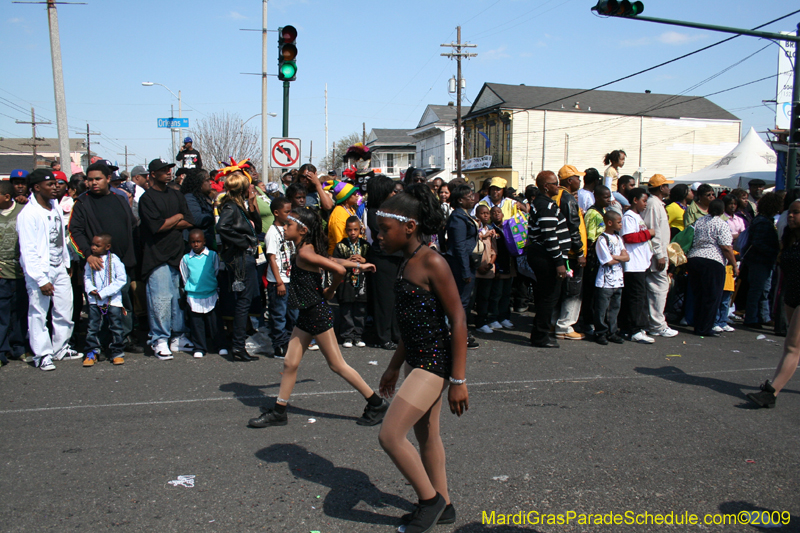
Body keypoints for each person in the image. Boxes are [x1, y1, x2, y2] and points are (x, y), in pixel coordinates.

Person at [375, 184, 468, 531]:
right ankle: (445, 505)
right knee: (427, 437)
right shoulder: (406, 262)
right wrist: (394, 366)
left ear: (410, 227)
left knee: (389, 436)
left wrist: (458, 380)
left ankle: (430, 502)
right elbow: (412, 323)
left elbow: (458, 320)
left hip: (434, 365)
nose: (380, 236)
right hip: (416, 360)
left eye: (385, 230)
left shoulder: (432, 261)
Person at [248, 207, 385, 428]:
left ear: (302, 230)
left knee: (337, 365)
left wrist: (331, 290)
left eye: (288, 225)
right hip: (307, 312)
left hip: (316, 312)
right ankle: (279, 411)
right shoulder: (306, 247)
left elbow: (338, 271)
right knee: (291, 362)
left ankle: (376, 402)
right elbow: (332, 260)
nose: (284, 228)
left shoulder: (304, 252)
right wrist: (359, 265)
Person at [68, 161, 140, 352]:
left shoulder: (119, 199)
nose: (93, 183)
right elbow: (74, 231)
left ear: (108, 179)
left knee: (122, 301)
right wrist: (88, 254)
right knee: (98, 305)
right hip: (97, 264)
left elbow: (131, 226)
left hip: (120, 262)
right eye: (89, 180)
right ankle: (98, 343)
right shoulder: (82, 202)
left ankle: (123, 339)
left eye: (98, 179)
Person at [17, 169, 81, 370]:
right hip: (40, 271)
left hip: (59, 266)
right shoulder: (28, 214)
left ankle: (60, 347)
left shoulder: (53, 207)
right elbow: (28, 250)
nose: (55, 188)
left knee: (64, 308)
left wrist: (66, 262)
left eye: (56, 184)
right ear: (36, 188)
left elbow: (59, 238)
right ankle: (42, 354)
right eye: (50, 185)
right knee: (38, 312)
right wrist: (40, 279)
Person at [138, 158, 195, 359]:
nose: (168, 172)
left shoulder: (176, 195)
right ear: (152, 174)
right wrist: (176, 218)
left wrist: (173, 220)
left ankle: (177, 337)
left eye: (169, 169)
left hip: (177, 254)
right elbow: (156, 227)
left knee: (177, 299)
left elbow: (189, 220)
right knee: (160, 299)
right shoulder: (147, 199)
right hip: (156, 256)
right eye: (163, 170)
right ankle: (159, 339)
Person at [747, 199, 800, 408]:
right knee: (793, 345)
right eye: (791, 212)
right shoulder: (788, 237)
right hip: (792, 293)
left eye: (796, 213)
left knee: (792, 346)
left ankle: (772, 392)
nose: (792, 216)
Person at [215, 168, 262, 361]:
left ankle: (238, 345)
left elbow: (257, 228)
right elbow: (222, 227)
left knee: (245, 300)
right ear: (242, 188)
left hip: (246, 258)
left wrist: (252, 205)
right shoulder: (230, 207)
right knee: (243, 302)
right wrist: (243, 242)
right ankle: (238, 346)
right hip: (241, 259)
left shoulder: (239, 206)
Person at [526, 171, 572, 348]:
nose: (558, 186)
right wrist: (559, 262)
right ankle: (540, 336)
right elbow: (549, 236)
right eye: (555, 183)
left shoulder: (544, 203)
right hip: (546, 256)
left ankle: (541, 333)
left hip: (544, 255)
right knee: (549, 297)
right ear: (546, 186)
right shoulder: (545, 205)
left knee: (546, 296)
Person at [686, 200, 738, 337]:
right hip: (713, 261)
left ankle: (696, 323)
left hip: (694, 258)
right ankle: (705, 328)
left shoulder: (700, 221)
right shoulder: (721, 224)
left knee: (698, 295)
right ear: (722, 210)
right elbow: (726, 247)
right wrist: (734, 264)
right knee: (712, 297)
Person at [363, 175, 402, 350]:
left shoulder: (390, 208)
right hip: (383, 258)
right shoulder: (374, 211)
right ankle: (383, 336)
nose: (394, 192)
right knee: (384, 300)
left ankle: (395, 334)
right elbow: (387, 233)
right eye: (390, 189)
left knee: (395, 299)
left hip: (395, 257)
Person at [180, 229, 228, 359]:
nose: (196, 244)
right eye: (193, 242)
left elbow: (216, 271)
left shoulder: (212, 256)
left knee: (215, 323)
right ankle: (199, 347)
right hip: (194, 297)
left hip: (211, 294)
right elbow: (185, 277)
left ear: (204, 241)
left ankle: (220, 346)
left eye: (198, 241)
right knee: (197, 324)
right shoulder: (186, 259)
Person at [552, 165, 588, 341]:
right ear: (569, 181)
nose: (579, 181)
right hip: (572, 253)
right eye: (577, 178)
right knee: (573, 291)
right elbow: (573, 228)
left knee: (559, 290)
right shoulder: (568, 199)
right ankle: (565, 325)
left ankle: (554, 322)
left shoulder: (555, 196)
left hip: (559, 251)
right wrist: (580, 251)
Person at [82, 234, 127, 366]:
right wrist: (90, 289)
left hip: (112, 300)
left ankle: (117, 351)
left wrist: (104, 293)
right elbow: (86, 277)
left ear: (107, 247)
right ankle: (92, 351)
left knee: (115, 326)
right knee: (93, 327)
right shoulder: (90, 261)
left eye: (97, 245)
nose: (93, 248)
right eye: (92, 244)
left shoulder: (115, 260)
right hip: (95, 301)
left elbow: (121, 279)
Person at [643, 174, 679, 338]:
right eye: (666, 185)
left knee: (657, 289)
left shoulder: (657, 204)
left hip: (659, 253)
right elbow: (653, 231)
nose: (668, 188)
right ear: (660, 187)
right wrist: (659, 254)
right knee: (659, 289)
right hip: (656, 255)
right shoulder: (653, 205)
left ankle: (655, 322)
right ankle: (657, 324)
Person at [444, 184, 479, 348]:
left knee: (464, 301)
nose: (472, 199)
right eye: (469, 197)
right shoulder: (458, 218)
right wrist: (466, 271)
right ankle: (458, 335)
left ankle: (460, 332)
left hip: (467, 263)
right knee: (461, 303)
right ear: (460, 200)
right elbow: (458, 247)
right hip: (460, 265)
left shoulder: (464, 216)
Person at [741, 192, 782, 328]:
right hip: (759, 261)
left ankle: (762, 316)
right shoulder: (763, 222)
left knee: (763, 289)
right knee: (757, 290)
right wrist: (774, 251)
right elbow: (758, 242)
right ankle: (752, 318)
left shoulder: (762, 220)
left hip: (761, 260)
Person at [620, 188, 655, 344]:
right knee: (636, 298)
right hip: (633, 265)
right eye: (644, 200)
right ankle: (635, 329)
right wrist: (649, 233)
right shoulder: (628, 217)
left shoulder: (637, 216)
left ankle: (629, 327)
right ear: (635, 200)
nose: (645, 204)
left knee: (637, 297)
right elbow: (628, 237)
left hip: (641, 263)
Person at [0, 181, 29, 364]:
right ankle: (2, 351)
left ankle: (18, 347)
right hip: (2, 273)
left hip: (21, 272)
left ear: (7, 197)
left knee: (20, 312)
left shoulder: (23, 211)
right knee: (2, 314)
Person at [593, 210, 629, 345]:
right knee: (602, 308)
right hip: (605, 281)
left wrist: (616, 257)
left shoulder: (619, 238)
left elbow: (627, 256)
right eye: (618, 222)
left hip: (618, 280)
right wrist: (619, 258)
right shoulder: (602, 239)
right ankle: (600, 332)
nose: (621, 225)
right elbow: (607, 261)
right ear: (609, 222)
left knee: (614, 308)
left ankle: (612, 332)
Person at [332, 216, 369, 347]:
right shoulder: (341, 245)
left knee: (360, 309)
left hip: (361, 282)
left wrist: (364, 260)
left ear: (360, 230)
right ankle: (347, 335)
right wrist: (348, 261)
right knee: (346, 310)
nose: (352, 233)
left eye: (355, 229)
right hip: (346, 283)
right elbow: (335, 262)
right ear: (345, 230)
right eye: (349, 230)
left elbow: (371, 263)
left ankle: (358, 335)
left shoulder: (365, 246)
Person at [474, 205, 498, 334]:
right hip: (475, 269)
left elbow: (494, 251)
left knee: (485, 297)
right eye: (482, 213)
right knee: (472, 298)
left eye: (487, 213)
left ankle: (482, 322)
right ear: (477, 215)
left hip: (487, 270)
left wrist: (489, 264)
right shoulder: (474, 229)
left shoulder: (491, 230)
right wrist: (483, 236)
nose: (486, 216)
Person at [181, 169, 216, 250]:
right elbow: (197, 219)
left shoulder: (204, 197)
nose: (210, 182)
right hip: (196, 247)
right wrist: (213, 214)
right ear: (199, 183)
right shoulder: (190, 198)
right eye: (207, 180)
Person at [325, 180, 360, 256]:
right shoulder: (338, 214)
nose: (357, 195)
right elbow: (340, 241)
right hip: (341, 257)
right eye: (353, 194)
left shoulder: (350, 209)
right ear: (346, 197)